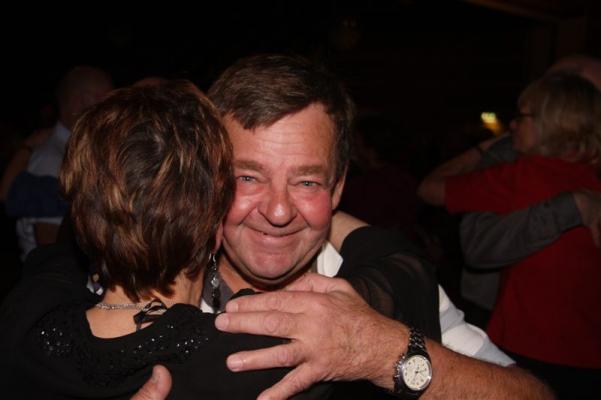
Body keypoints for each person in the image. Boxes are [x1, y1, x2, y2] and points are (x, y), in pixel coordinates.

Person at [139, 54, 552, 400]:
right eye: (248, 177)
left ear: (337, 190)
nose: (279, 211)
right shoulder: (150, 286)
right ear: (209, 181)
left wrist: (380, 352)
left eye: (307, 182)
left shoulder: (390, 282)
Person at [0, 80, 301, 398]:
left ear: (83, 219)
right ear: (215, 230)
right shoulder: (252, 360)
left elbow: (53, 259)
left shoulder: (25, 320)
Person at [418, 71, 601, 399]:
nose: (513, 125)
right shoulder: (592, 179)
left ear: (552, 122)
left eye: (522, 116)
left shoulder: (522, 176)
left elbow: (429, 188)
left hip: (529, 348)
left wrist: (487, 147)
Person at [11, 65, 113, 260]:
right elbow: (50, 245)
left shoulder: (74, 152)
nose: (111, 109)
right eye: (105, 100)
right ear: (80, 101)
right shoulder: (53, 159)